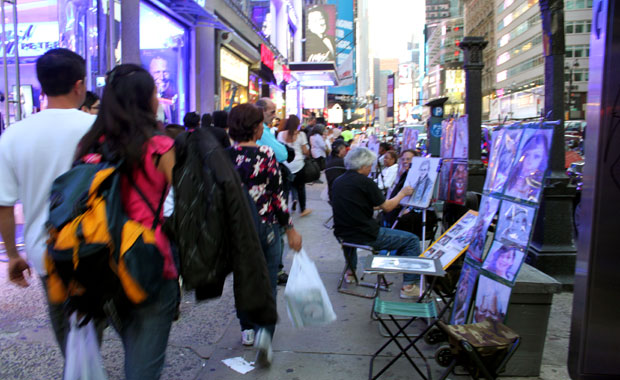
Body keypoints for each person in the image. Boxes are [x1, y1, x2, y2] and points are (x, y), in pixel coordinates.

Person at [75, 64, 180, 379]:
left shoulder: (90, 148)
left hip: (101, 263)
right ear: (146, 99)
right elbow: (180, 203)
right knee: (142, 365)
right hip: (148, 261)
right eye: (155, 93)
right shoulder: (161, 146)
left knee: (135, 346)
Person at [0, 48, 98, 356]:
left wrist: (14, 255)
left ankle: (77, 369)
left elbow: (4, 204)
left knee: (63, 326)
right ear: (79, 85)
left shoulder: (14, 135)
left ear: (42, 87)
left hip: (45, 251)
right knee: (92, 322)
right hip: (94, 245)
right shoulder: (96, 130)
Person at [227, 103, 303, 363]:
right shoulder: (266, 154)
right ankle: (264, 335)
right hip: (266, 225)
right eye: (261, 124)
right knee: (267, 280)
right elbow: (276, 197)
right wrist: (289, 228)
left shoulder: (225, 156)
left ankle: (246, 328)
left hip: (237, 230)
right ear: (256, 127)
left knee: (244, 279)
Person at [331, 147, 422, 299]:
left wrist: (378, 204)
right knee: (412, 240)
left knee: (351, 239)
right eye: (370, 165)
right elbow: (387, 207)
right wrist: (402, 194)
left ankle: (350, 273)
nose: (370, 168)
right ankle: (409, 286)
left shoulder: (339, 181)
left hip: (342, 233)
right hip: (366, 234)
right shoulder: (365, 182)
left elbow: (357, 204)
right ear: (363, 166)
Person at [278, 115, 312, 217]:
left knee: (285, 190)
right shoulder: (301, 135)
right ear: (297, 124)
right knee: (300, 188)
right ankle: (302, 209)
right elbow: (306, 152)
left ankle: (284, 212)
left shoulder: (280, 134)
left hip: (285, 165)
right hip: (298, 165)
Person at [505, 132, 549, 201]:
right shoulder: (511, 178)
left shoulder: (540, 186)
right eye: (527, 155)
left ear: (543, 159)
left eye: (536, 156)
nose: (529, 161)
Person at [255, 98, 288, 163]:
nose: (275, 116)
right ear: (261, 111)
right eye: (272, 112)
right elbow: (282, 155)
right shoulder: (261, 130)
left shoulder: (259, 128)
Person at [149, 56, 178, 123]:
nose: (161, 77)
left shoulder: (176, 90)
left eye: (165, 72)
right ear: (150, 73)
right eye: (157, 72)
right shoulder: (145, 93)